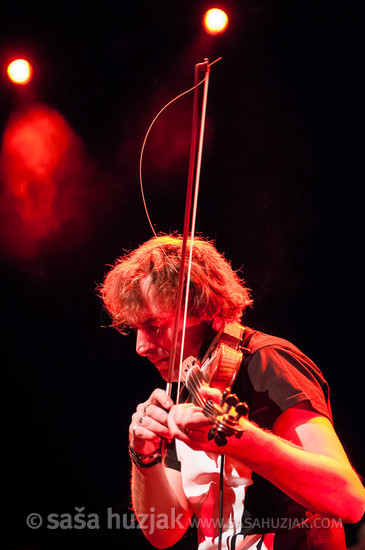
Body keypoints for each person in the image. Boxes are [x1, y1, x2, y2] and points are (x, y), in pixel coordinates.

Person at [99, 234, 365, 550]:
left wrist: (238, 437)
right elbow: (164, 532)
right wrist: (144, 455)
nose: (140, 347)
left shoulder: (267, 361)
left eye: (154, 326)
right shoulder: (191, 384)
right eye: (137, 329)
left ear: (199, 306)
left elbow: (348, 499)